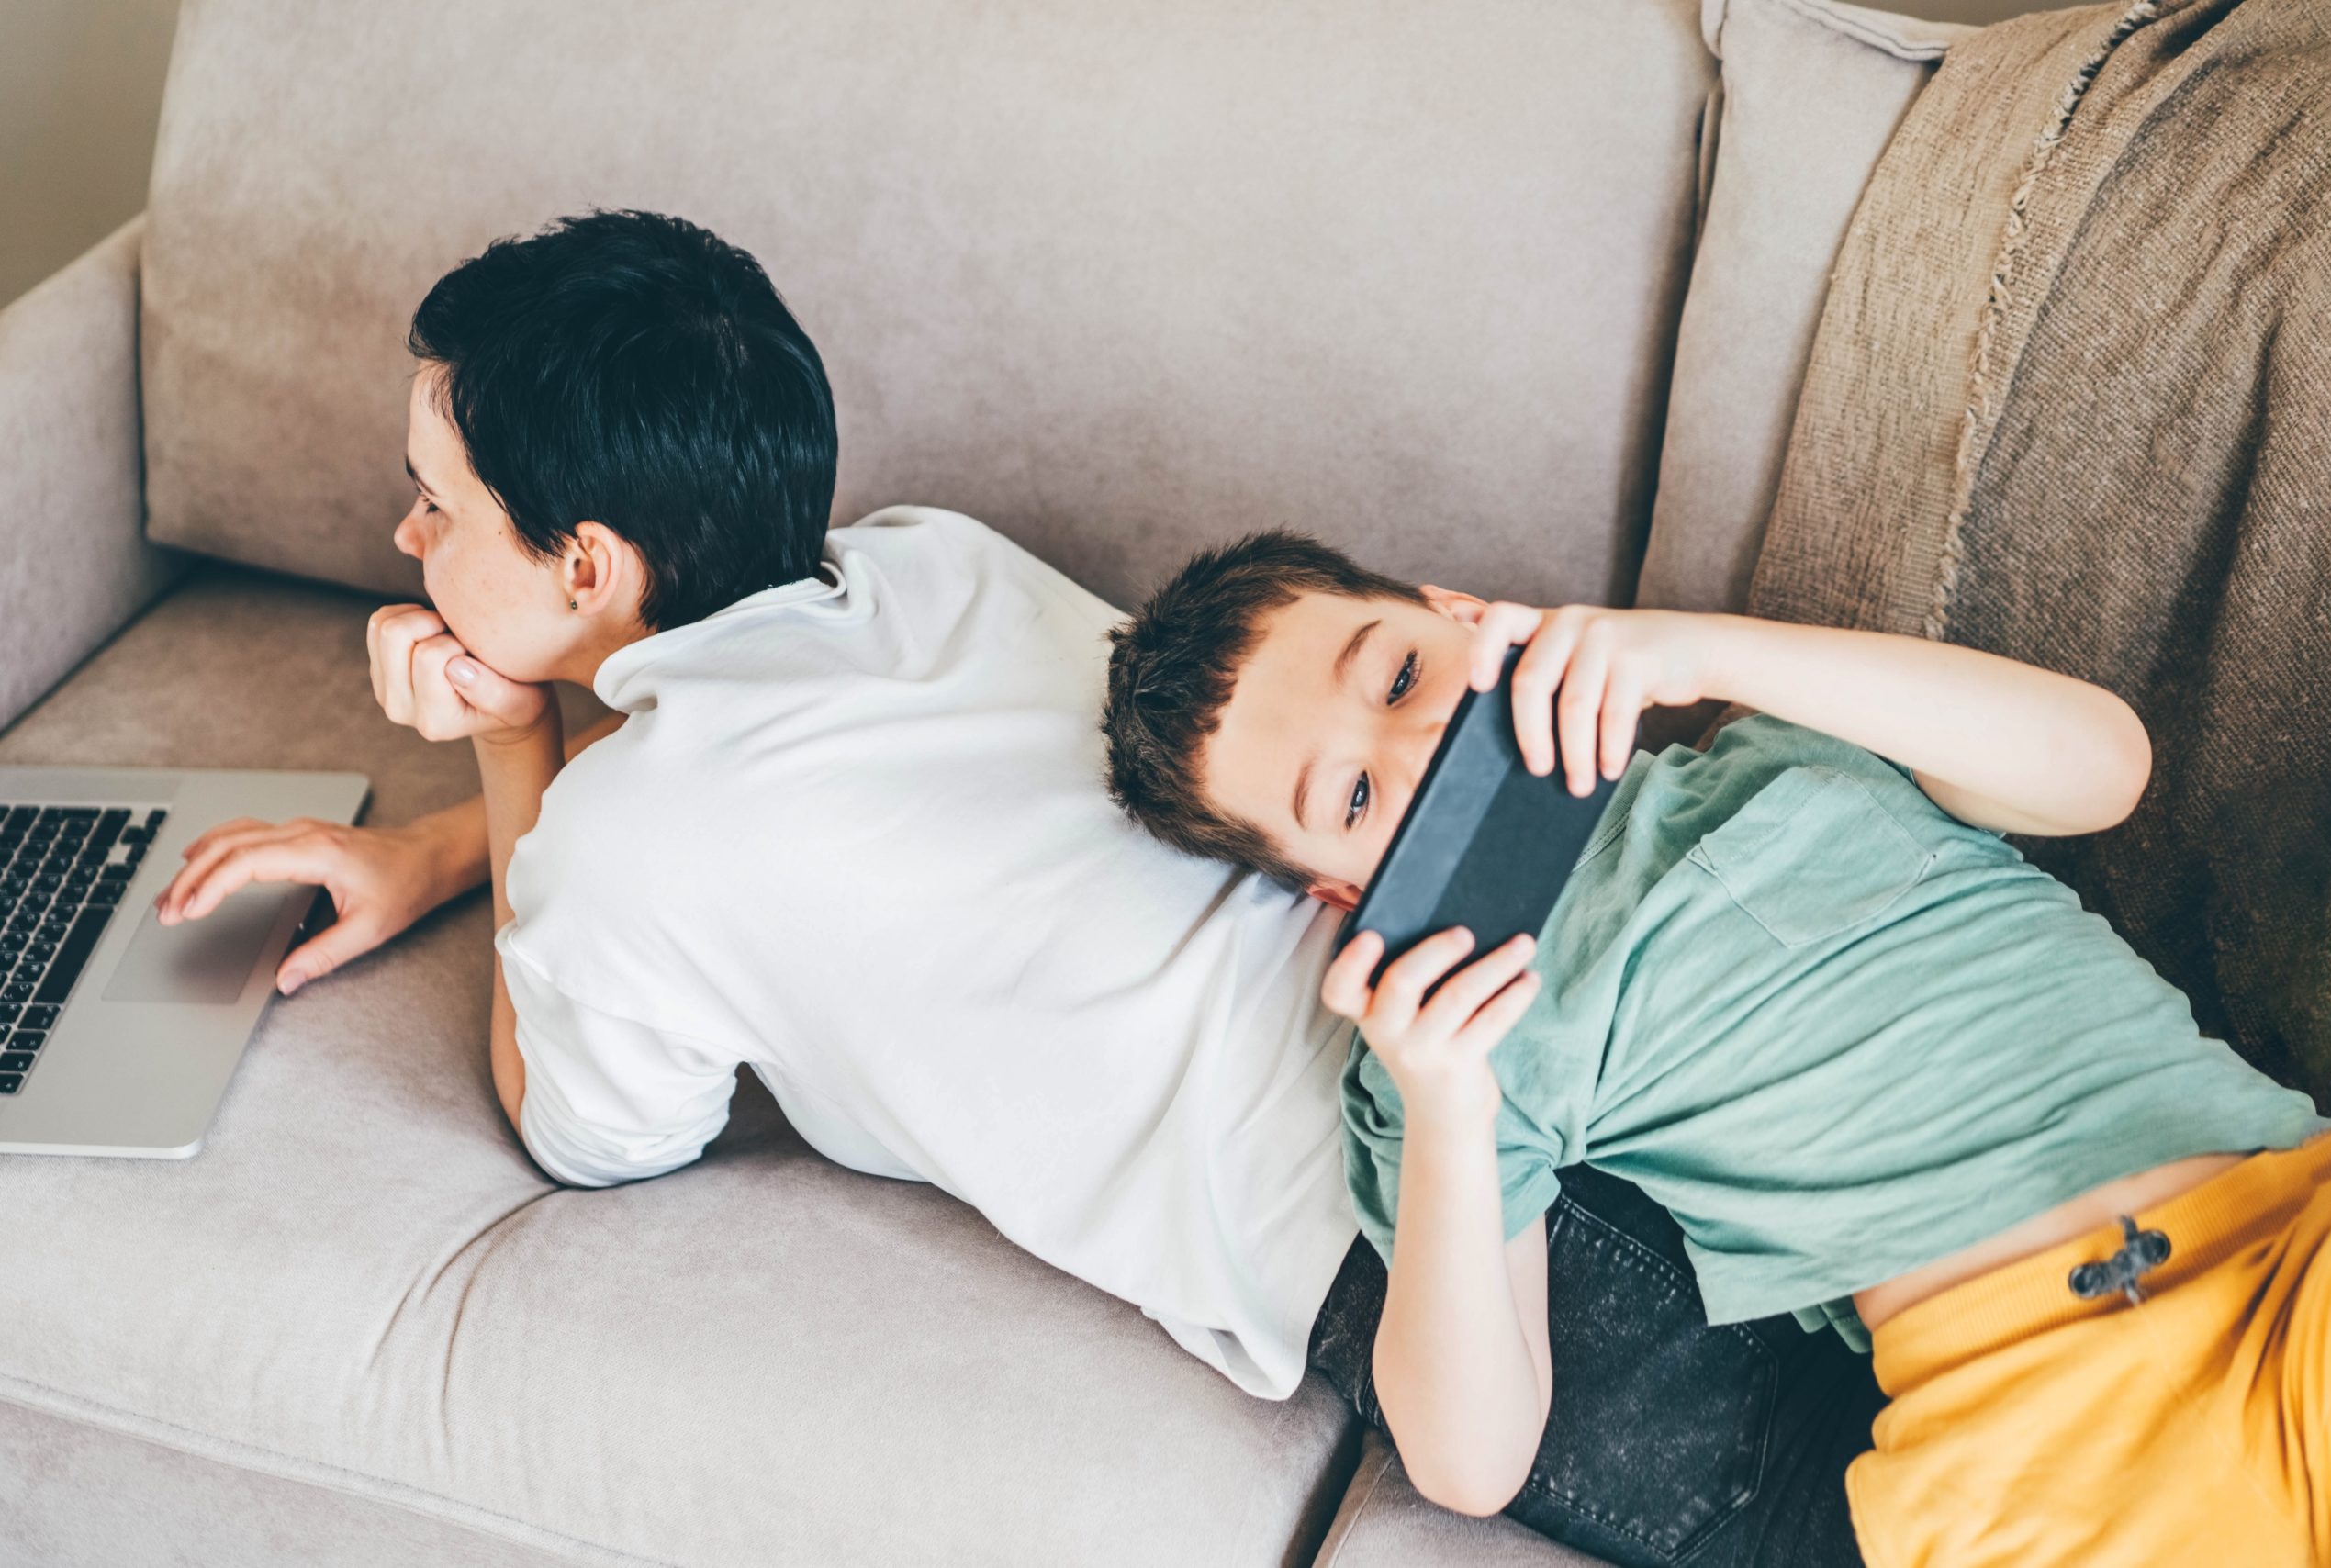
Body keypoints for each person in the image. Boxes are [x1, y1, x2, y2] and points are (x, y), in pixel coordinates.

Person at [160, 210, 1876, 1567]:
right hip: (1549, 981)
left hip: (1407, 1234)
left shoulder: (625, 851)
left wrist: (508, 750)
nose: (405, 541)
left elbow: (585, 1132)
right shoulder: (934, 564)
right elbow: (801, 813)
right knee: (2046, 1359)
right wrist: (436, 855)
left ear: (584, 567)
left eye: (436, 505)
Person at [1099, 530, 2331, 1568]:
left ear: (1463, 615)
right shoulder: (1446, 1061)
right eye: (1356, 801)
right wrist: (1449, 1108)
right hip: (2029, 1438)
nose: (1414, 753)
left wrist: (1685, 648)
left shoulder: (1785, 745)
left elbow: (2104, 767)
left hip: (2286, 1237)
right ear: (1333, 894)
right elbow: (1469, 1461)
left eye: (1399, 679)